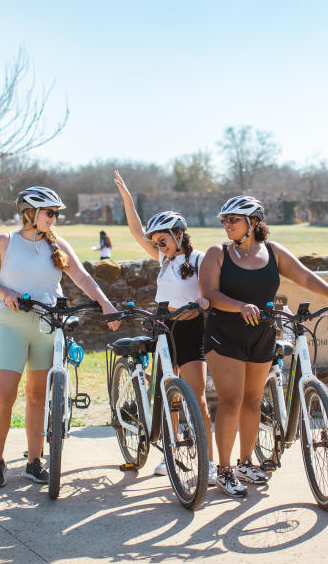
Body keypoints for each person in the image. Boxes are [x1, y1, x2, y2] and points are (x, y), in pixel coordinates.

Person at [199, 195, 328, 498]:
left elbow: (305, 276)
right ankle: (224, 470)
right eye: (225, 220)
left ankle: (245, 462)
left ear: (253, 222)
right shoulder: (216, 254)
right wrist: (239, 305)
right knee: (231, 400)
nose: (227, 224)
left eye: (233, 219)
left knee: (253, 400)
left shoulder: (273, 252)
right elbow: (208, 293)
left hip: (262, 334)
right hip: (224, 334)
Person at [0, 186, 120, 489]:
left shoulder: (58, 244)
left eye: (56, 213)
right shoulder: (5, 242)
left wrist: (106, 304)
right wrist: (5, 292)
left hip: (47, 324)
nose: (54, 218)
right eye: (49, 213)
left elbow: (81, 277)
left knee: (38, 396)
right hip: (10, 325)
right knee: (3, 395)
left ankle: (34, 461)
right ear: (30, 213)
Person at [113, 171, 216, 486]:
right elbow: (136, 231)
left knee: (196, 396)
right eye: (156, 242)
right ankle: (170, 451)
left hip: (190, 328)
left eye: (164, 240)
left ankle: (209, 463)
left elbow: (212, 290)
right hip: (163, 328)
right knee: (169, 392)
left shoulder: (200, 259)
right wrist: (128, 198)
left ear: (180, 234)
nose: (159, 245)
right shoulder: (164, 260)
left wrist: (204, 300)